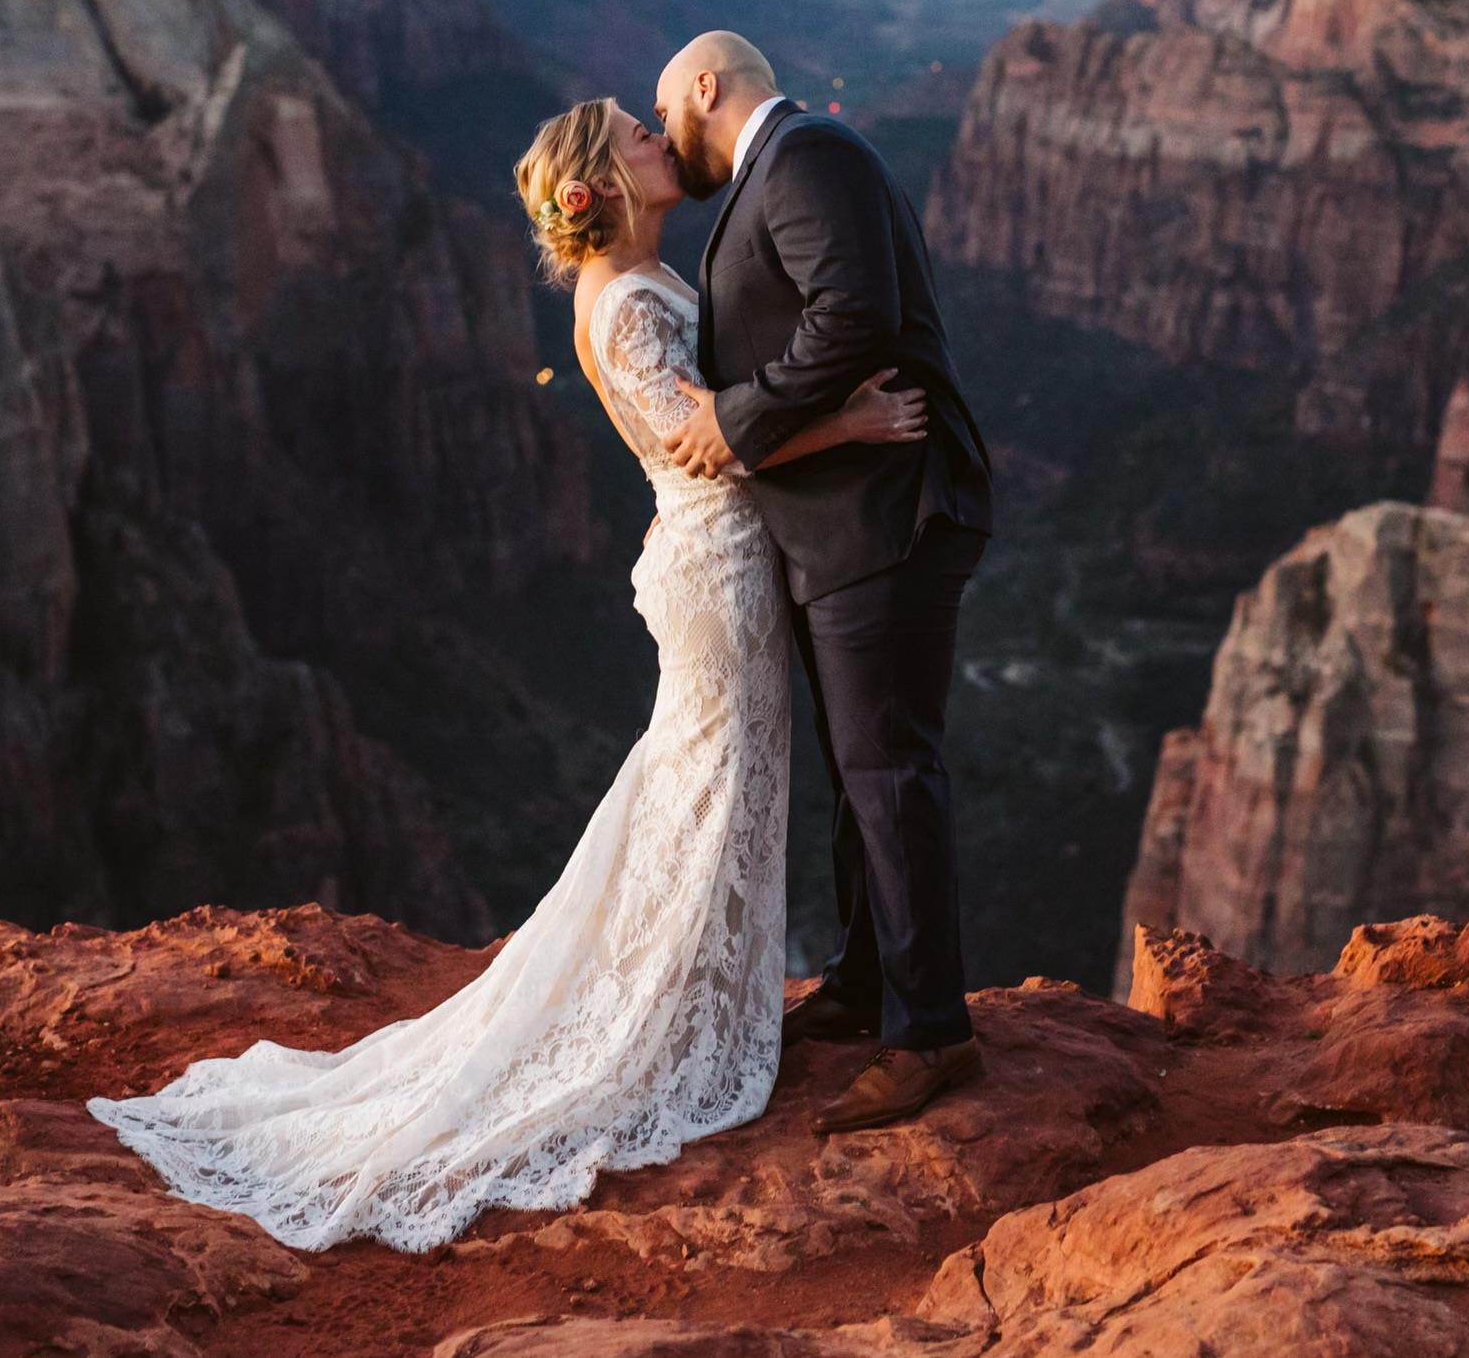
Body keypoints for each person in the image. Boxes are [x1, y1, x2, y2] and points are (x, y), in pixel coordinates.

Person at [87, 95, 929, 1252]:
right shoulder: (627, 301)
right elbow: (703, 435)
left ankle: (681, 1001)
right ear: (604, 183)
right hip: (718, 569)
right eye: (637, 133)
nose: (656, 135)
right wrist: (855, 421)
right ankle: (646, 1026)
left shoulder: (623, 288)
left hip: (708, 554)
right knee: (706, 786)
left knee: (709, 783)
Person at [651, 31, 994, 1135]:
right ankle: (862, 983)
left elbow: (853, 312)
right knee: (861, 773)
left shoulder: (804, 158)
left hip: (882, 517)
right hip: (838, 526)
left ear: (706, 87)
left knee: (889, 770)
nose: (664, 143)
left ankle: (931, 1030)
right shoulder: (786, 163)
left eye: (667, 118)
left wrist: (732, 421)